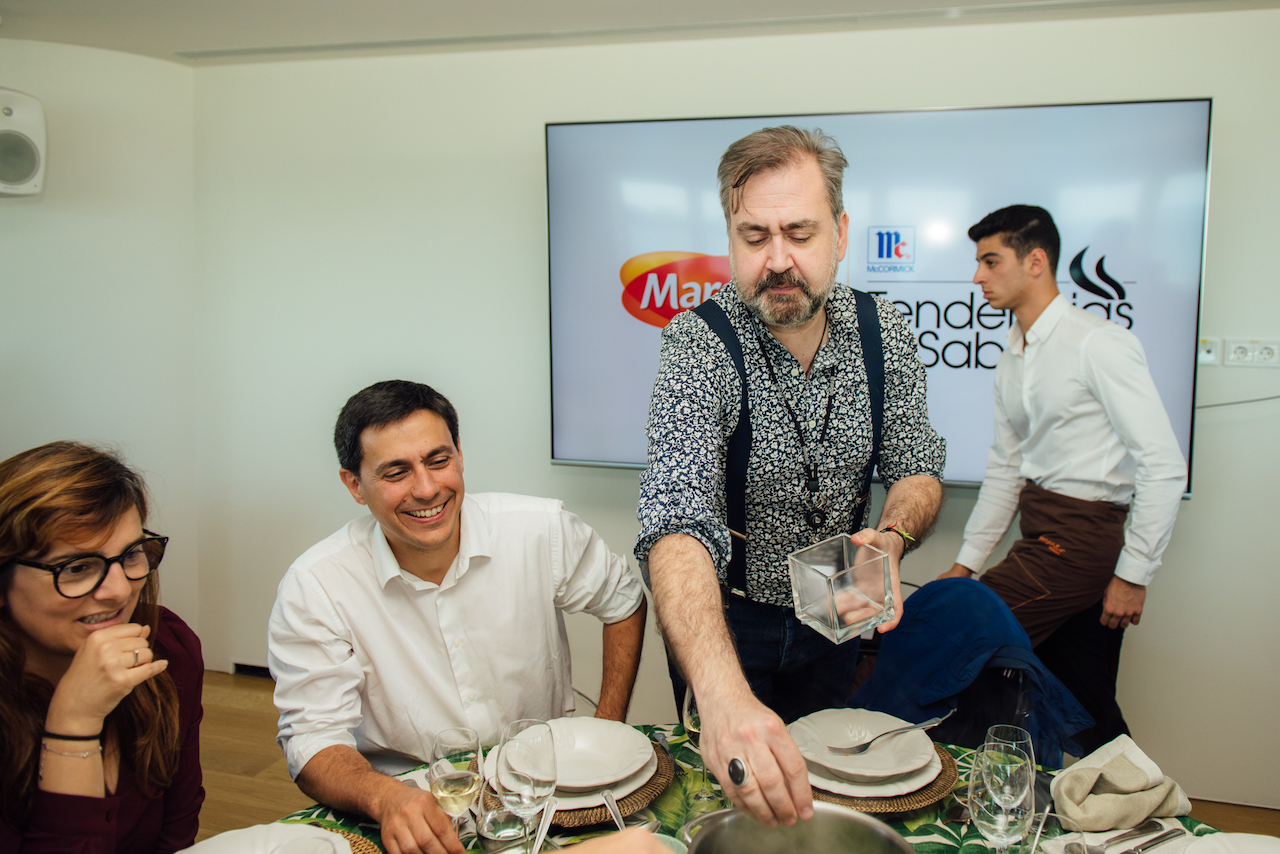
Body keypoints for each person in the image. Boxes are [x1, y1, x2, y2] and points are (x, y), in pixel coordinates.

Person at [635, 126, 946, 827]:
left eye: (799, 233)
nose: (778, 261)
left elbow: (917, 466)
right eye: (755, 236)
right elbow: (676, 520)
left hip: (838, 610)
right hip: (730, 621)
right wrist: (721, 700)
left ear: (840, 232)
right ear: (730, 238)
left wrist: (893, 538)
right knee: (732, 805)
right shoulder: (697, 343)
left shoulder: (885, 331)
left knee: (825, 799)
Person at [269, 380, 647, 854]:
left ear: (460, 453)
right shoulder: (316, 585)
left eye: (438, 460)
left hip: (545, 791)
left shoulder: (538, 530)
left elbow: (622, 600)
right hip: (407, 803)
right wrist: (386, 798)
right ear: (354, 485)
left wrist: (607, 727)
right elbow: (312, 739)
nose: (427, 489)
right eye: (396, 472)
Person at [937, 205, 1186, 754]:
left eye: (990, 261)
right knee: (1085, 698)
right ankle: (1122, 798)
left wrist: (1133, 574)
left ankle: (959, 779)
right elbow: (1006, 469)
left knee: (965, 634)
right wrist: (965, 564)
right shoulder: (1013, 354)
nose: (978, 276)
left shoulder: (1097, 343)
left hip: (1083, 540)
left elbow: (1164, 465)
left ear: (1036, 262)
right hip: (1043, 533)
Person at [0, 441, 204, 853]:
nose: (118, 591)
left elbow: (177, 833)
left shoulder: (169, 648)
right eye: (76, 567)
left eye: (131, 554)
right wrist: (73, 724)